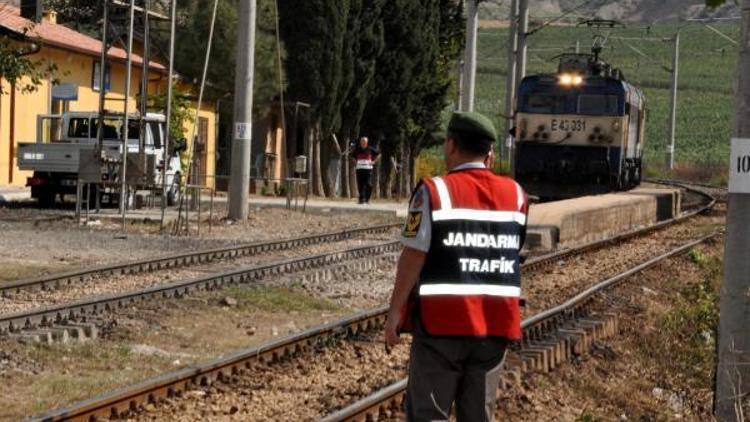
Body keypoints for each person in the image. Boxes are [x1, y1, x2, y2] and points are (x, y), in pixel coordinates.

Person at [384, 111, 528, 422]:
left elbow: (413, 255)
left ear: (451, 146)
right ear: (489, 154)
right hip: (495, 326)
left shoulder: (434, 192)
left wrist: (395, 311)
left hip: (443, 325)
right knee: (478, 415)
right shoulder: (516, 195)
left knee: (429, 414)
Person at [350, 136, 380, 204]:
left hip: (368, 169)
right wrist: (355, 161)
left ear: (367, 142)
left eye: (364, 141)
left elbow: (378, 154)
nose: (363, 143)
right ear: (360, 142)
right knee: (360, 184)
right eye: (362, 141)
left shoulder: (370, 149)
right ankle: (361, 199)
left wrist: (374, 161)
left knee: (368, 184)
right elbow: (352, 156)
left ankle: (367, 198)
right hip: (359, 168)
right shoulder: (357, 149)